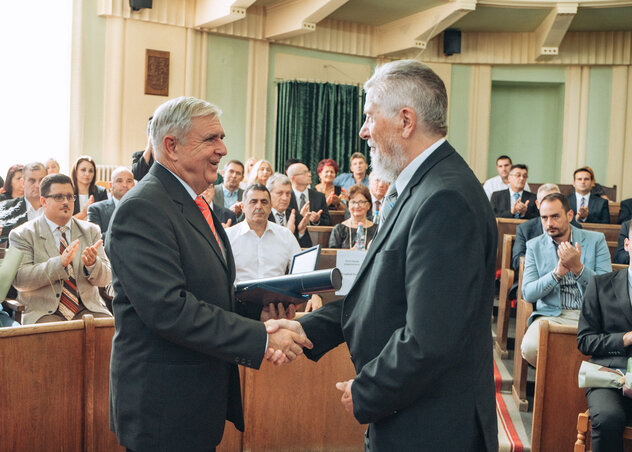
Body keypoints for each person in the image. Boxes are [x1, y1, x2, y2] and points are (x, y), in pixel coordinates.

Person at [285, 60, 498, 451]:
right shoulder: (422, 184)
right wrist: (307, 329)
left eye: (369, 117)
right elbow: (381, 293)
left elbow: (430, 337)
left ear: (405, 121)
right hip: (414, 416)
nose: (363, 131)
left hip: (433, 428)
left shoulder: (445, 198)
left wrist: (367, 389)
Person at [106, 96, 311, 451]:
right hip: (163, 409)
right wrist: (260, 338)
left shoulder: (194, 201)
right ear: (171, 146)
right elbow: (169, 309)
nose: (223, 148)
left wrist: (257, 310)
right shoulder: (143, 208)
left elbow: (208, 291)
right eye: (210, 139)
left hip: (195, 402)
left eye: (222, 137)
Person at [521, 193, 611, 367]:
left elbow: (606, 289)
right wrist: (557, 273)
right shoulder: (534, 246)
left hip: (591, 316)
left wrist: (578, 268)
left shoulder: (596, 240)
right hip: (551, 316)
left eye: (555, 216)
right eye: (544, 218)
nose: (549, 223)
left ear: (570, 215)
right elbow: (529, 293)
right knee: (530, 348)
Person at [8, 173, 112, 324]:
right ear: (43, 201)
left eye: (70, 197)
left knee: (109, 333)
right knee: (55, 338)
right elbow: (20, 279)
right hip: (44, 312)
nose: (66, 202)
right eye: (59, 197)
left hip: (89, 309)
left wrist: (93, 265)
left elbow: (106, 278)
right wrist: (59, 263)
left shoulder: (91, 230)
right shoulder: (22, 234)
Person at [577, 223, 632, 452]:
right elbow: (585, 341)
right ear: (627, 245)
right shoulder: (601, 285)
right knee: (608, 418)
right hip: (611, 376)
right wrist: (625, 339)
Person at [225, 183, 321, 311]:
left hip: (277, 308)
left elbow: (303, 272)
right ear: (243, 206)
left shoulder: (285, 235)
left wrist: (314, 294)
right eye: (253, 202)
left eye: (264, 202)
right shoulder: (229, 236)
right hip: (240, 308)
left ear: (270, 207)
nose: (259, 206)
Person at [512, 183, 582, 272]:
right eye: (545, 201)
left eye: (554, 201)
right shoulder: (525, 229)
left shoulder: (575, 227)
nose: (550, 205)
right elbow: (517, 262)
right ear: (538, 204)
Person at [0, 162, 47, 247]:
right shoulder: (6, 208)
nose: (37, 185)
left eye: (42, 180)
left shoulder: (55, 208)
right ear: (22, 183)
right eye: (32, 180)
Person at [87, 167, 135, 242]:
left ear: (134, 185)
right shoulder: (96, 209)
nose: (125, 185)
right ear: (111, 185)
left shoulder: (142, 209)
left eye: (129, 181)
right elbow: (95, 239)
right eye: (119, 181)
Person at [267, 173, 312, 248]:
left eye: (288, 193)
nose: (285, 198)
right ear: (269, 194)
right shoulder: (263, 216)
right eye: (280, 193)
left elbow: (307, 248)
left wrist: (301, 232)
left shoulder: (296, 216)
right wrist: (288, 234)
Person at [329, 184, 377, 249]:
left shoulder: (376, 230)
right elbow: (332, 256)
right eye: (353, 202)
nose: (357, 206)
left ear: (368, 205)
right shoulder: (339, 229)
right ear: (348, 205)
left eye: (361, 202)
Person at [71, 156, 108, 220]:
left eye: (91, 171)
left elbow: (105, 219)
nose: (87, 174)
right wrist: (83, 213)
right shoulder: (67, 193)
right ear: (75, 172)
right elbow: (64, 223)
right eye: (83, 170)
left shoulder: (101, 192)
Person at [131, 116, 154, 181]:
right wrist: (149, 147)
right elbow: (136, 175)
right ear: (148, 135)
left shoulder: (168, 156)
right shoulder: (138, 155)